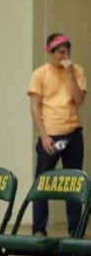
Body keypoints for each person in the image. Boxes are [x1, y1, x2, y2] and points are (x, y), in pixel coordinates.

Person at [29, 33, 87, 236]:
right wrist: (43, 136)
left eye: (67, 51)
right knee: (42, 182)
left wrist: (70, 74)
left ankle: (75, 229)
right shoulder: (40, 74)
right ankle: (38, 228)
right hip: (51, 135)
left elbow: (78, 100)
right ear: (51, 52)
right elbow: (35, 108)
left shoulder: (77, 71)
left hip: (73, 133)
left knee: (74, 182)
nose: (65, 55)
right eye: (61, 52)